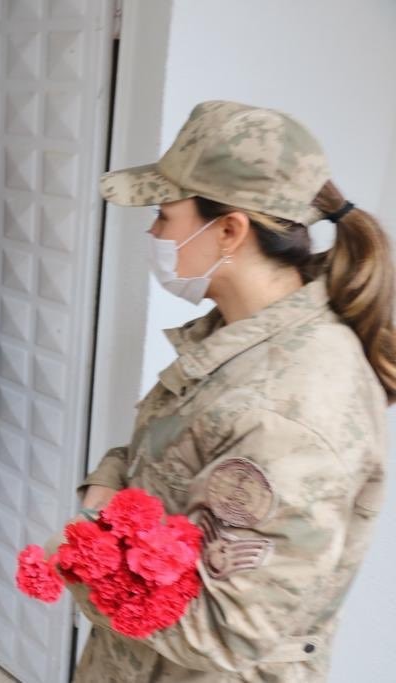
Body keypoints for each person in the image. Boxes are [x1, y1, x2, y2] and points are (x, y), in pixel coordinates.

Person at [52, 100, 392, 681]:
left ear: (230, 229)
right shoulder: (236, 340)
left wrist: (85, 566)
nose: (153, 231)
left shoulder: (294, 405)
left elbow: (230, 629)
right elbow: (163, 463)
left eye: (164, 214)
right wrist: (108, 494)